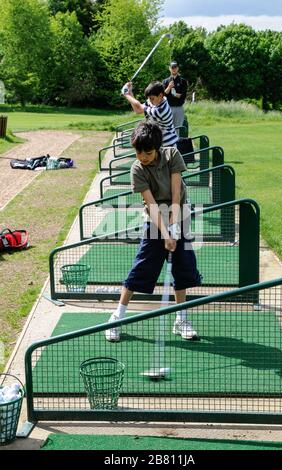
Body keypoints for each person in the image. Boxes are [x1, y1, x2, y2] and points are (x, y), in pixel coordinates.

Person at [105, 120, 202, 343]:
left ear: (157, 148)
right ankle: (116, 317)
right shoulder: (137, 169)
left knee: (183, 267)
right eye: (138, 152)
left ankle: (181, 319)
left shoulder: (172, 155)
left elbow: (177, 190)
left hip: (180, 212)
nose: (142, 156)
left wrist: (175, 221)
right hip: (155, 217)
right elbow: (150, 204)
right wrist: (166, 234)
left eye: (147, 152)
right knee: (141, 267)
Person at [121, 80, 178, 147]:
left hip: (169, 145)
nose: (150, 101)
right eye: (149, 98)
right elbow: (138, 110)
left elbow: (138, 106)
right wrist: (130, 92)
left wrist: (126, 94)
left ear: (160, 95)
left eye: (152, 98)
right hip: (159, 143)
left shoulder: (160, 110)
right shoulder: (159, 100)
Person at [163, 61, 188, 131]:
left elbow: (183, 96)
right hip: (168, 108)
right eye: (172, 67)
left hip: (179, 108)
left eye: (175, 67)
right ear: (169, 68)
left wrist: (175, 94)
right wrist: (169, 87)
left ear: (178, 68)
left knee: (177, 129)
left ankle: (176, 142)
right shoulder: (165, 81)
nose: (174, 69)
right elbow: (163, 95)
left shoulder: (183, 81)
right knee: (168, 128)